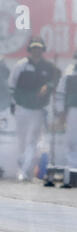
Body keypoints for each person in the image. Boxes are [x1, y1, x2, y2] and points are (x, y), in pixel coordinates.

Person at [8, 36, 61, 182]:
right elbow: (12, 85)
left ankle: (26, 170)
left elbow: (57, 78)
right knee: (22, 140)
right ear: (30, 50)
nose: (36, 51)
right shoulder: (21, 65)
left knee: (33, 140)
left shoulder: (49, 67)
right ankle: (21, 167)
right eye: (34, 48)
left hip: (38, 109)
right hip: (22, 107)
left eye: (39, 48)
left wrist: (48, 86)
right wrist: (13, 103)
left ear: (42, 50)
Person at [55, 50, 77, 186]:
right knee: (71, 140)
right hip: (73, 110)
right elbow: (61, 93)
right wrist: (61, 111)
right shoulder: (69, 74)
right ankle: (72, 174)